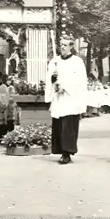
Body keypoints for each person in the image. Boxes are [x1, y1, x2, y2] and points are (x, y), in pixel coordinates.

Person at [45, 35, 87, 164]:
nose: (62, 47)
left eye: (65, 45)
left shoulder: (77, 62)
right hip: (59, 99)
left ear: (71, 47)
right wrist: (53, 79)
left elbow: (80, 80)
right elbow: (49, 78)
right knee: (59, 126)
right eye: (61, 44)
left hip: (70, 99)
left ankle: (67, 152)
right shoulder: (55, 61)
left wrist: (65, 86)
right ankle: (60, 151)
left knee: (68, 127)